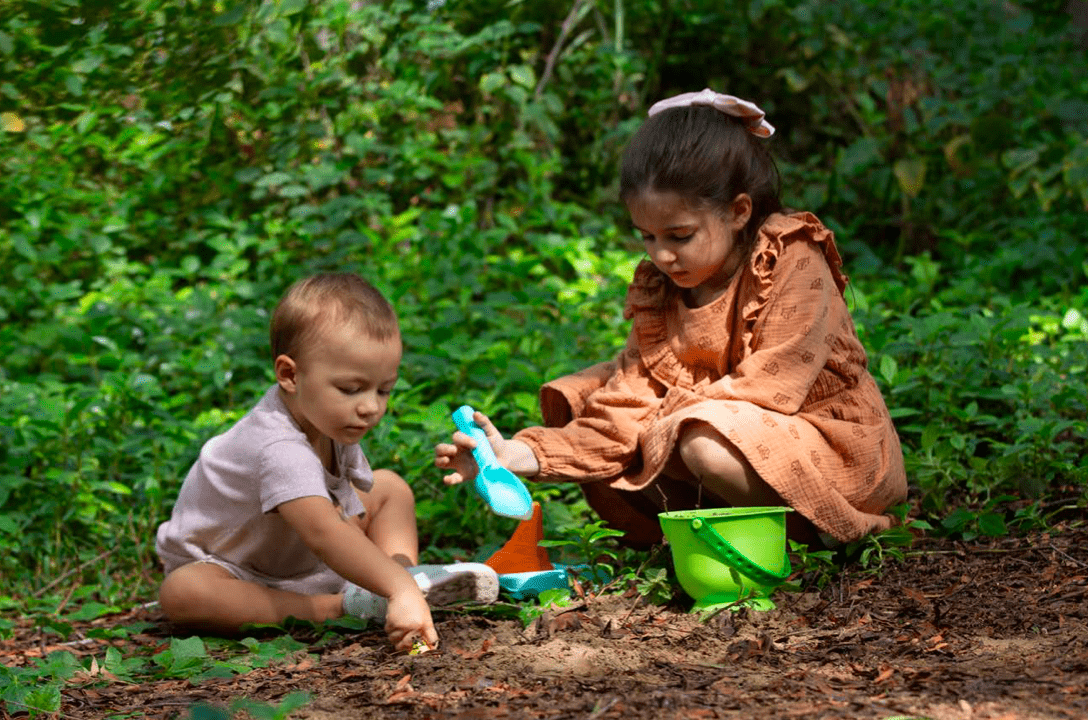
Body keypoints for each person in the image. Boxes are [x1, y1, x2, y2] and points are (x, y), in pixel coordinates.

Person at [436, 89, 907, 549]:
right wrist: (515, 455)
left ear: (738, 211)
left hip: (830, 447)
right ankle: (718, 534)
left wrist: (659, 417)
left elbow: (773, 387)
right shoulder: (660, 288)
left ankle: (820, 536)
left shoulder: (790, 255)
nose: (662, 255)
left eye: (680, 236)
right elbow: (627, 404)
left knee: (698, 440)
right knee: (599, 402)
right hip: (712, 429)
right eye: (646, 236)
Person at [157, 272, 498, 651]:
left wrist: (389, 574)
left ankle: (398, 582)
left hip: (295, 546)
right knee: (183, 593)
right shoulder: (277, 446)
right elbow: (324, 533)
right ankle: (340, 605)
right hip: (234, 569)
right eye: (350, 389)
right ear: (290, 375)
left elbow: (339, 509)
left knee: (389, 488)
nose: (370, 407)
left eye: (383, 389)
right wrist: (395, 587)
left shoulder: (326, 418)